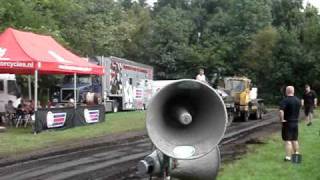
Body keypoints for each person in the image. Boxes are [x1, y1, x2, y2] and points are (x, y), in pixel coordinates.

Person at [279, 86, 301, 161]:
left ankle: (288, 157)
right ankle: (296, 158)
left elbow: (281, 111)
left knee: (288, 140)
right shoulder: (298, 100)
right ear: (293, 91)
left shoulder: (285, 101)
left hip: (288, 123)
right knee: (295, 140)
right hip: (295, 122)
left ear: (286, 91)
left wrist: (282, 120)